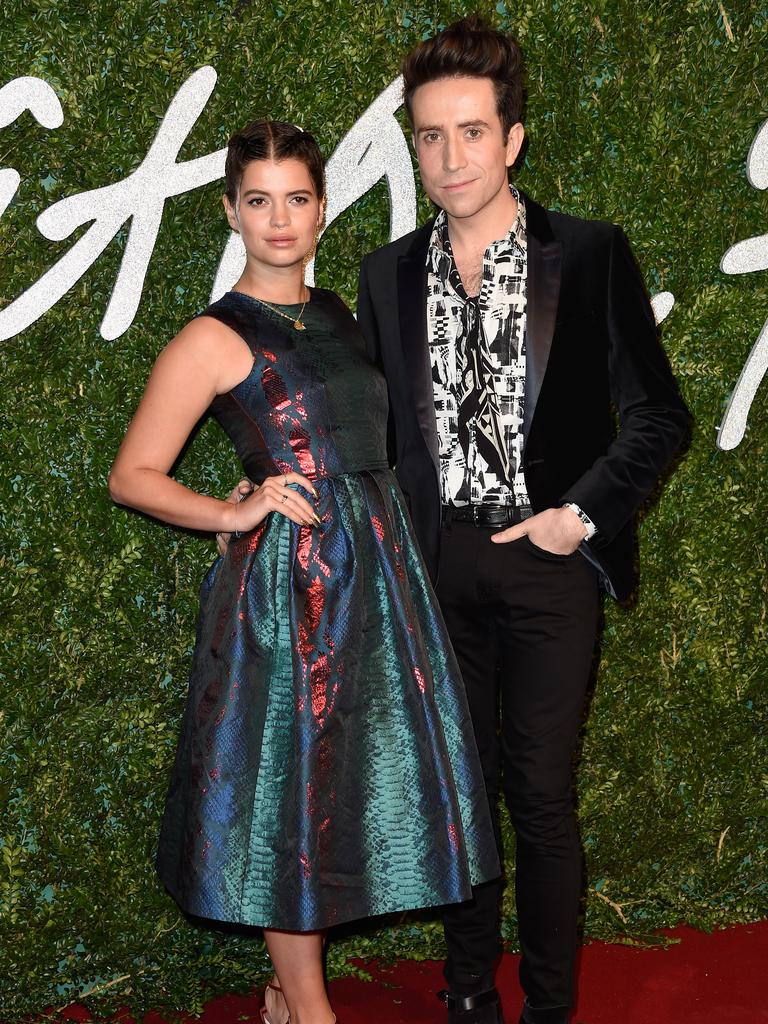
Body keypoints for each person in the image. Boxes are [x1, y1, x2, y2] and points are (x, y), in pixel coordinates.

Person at [108, 119, 499, 1024]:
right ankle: (313, 1011)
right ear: (230, 213)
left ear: (323, 209)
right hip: (289, 592)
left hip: (378, 574)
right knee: (293, 788)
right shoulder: (213, 335)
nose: (279, 220)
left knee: (339, 784)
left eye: (296, 199)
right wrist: (235, 510)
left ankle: (287, 997)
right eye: (258, 201)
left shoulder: (338, 316)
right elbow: (134, 475)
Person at [355, 16, 690, 1024]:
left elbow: (660, 413)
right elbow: (372, 434)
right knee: (459, 791)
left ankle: (548, 1006)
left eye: (470, 132)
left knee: (539, 793)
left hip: (549, 559)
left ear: (512, 140)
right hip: (436, 567)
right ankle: (467, 991)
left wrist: (577, 515)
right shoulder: (384, 274)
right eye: (429, 136)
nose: (449, 157)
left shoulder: (588, 256)